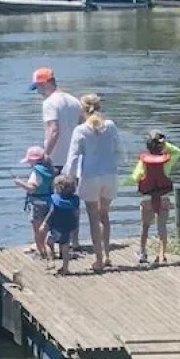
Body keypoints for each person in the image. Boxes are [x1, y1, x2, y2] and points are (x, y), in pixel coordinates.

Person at [65, 93, 120, 272]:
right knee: (105, 215)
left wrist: (69, 178)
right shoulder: (110, 126)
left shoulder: (80, 130)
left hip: (90, 176)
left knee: (93, 218)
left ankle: (98, 259)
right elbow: (118, 149)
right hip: (110, 174)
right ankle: (107, 256)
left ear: (83, 109)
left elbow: (73, 158)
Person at [30, 66, 83, 246]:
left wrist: (45, 155)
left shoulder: (50, 103)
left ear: (45, 83)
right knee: (72, 202)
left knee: (53, 203)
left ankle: (53, 241)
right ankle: (74, 240)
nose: (37, 92)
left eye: (37, 87)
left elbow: (53, 130)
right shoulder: (74, 101)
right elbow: (82, 126)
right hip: (75, 160)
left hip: (57, 160)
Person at [131, 130, 180, 266]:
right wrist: (165, 144)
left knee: (145, 226)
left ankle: (142, 253)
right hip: (163, 197)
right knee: (162, 227)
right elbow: (178, 152)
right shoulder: (167, 161)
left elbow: (135, 177)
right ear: (162, 146)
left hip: (147, 198)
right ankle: (162, 255)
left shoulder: (143, 162)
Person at [13, 145, 54, 259]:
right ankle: (50, 249)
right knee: (46, 228)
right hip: (49, 202)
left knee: (37, 231)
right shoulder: (49, 170)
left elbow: (32, 188)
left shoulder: (36, 172)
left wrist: (19, 183)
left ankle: (41, 252)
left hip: (37, 204)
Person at [47, 173, 80, 275]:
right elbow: (76, 213)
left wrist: (44, 223)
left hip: (56, 226)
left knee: (48, 243)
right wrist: (75, 226)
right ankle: (65, 268)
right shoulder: (75, 199)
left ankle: (51, 261)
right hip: (69, 227)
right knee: (65, 248)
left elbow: (51, 212)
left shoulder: (54, 199)